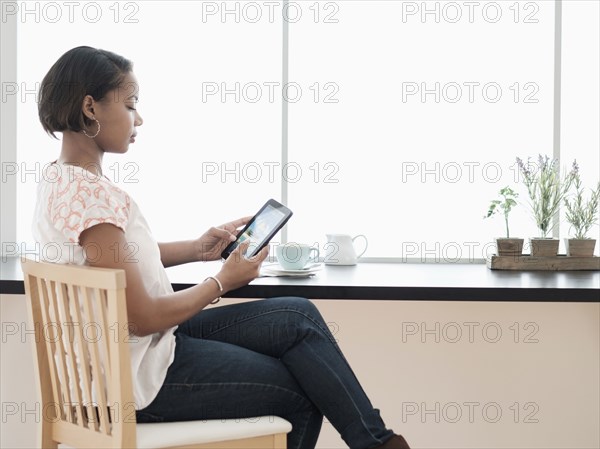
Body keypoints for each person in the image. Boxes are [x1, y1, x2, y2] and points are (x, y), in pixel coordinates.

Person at [33, 46, 411, 449]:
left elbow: (117, 261)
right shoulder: (93, 197)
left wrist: (199, 249)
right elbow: (142, 318)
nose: (138, 118)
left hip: (122, 358)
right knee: (304, 389)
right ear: (90, 107)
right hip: (133, 378)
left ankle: (378, 443)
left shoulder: (61, 181)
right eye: (130, 104)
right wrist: (221, 282)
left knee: (295, 315)